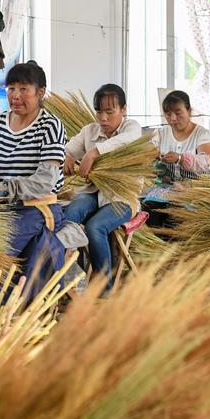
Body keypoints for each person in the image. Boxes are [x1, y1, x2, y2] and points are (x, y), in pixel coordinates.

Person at [0, 60, 72, 296]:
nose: (15, 96)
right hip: (0, 206)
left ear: (40, 93)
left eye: (23, 89)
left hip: (36, 208)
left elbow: (45, 182)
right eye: (11, 89)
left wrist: (7, 189)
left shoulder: (50, 125)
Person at [63, 84, 142, 291]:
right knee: (68, 217)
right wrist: (68, 156)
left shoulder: (131, 128)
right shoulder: (89, 131)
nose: (103, 118)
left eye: (110, 111)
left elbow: (128, 141)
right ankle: (75, 281)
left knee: (95, 227)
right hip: (92, 193)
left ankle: (104, 288)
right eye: (99, 111)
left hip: (122, 198)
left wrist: (94, 152)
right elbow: (70, 148)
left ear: (123, 109)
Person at [142, 90, 210, 226]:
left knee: (177, 219)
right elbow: (147, 153)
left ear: (189, 111)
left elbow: (205, 162)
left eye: (178, 112)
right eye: (168, 114)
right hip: (166, 191)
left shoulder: (202, 134)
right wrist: (151, 157)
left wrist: (181, 159)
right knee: (148, 212)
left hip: (193, 192)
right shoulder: (160, 134)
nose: (173, 118)